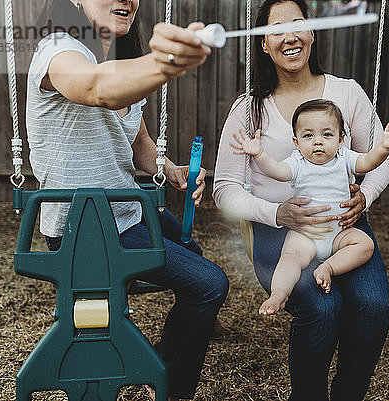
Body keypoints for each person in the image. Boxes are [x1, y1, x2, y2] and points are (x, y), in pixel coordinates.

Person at [26, 1, 229, 400]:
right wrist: (163, 63)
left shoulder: (122, 60)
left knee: (193, 250)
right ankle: (165, 379)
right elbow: (96, 88)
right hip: (84, 230)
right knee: (210, 285)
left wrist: (171, 170)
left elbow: (139, 143)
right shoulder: (57, 49)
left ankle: (188, 326)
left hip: (126, 211)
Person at [213, 0, 389, 398]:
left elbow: (380, 162)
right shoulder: (249, 110)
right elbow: (225, 189)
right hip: (277, 232)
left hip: (341, 224)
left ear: (312, 31)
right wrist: (277, 213)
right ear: (263, 43)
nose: (290, 36)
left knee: (372, 308)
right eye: (276, 29)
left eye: (299, 24)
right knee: (322, 309)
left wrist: (363, 196)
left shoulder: (347, 94)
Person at [231, 99, 389, 315]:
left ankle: (329, 267)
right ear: (296, 142)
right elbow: (277, 171)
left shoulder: (344, 157)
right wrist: (259, 154)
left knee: (365, 244)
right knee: (290, 258)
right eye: (308, 135)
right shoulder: (297, 162)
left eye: (327, 135)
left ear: (341, 139)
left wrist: (383, 147)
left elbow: (367, 162)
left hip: (339, 234)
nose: (318, 142)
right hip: (306, 234)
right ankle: (278, 294)